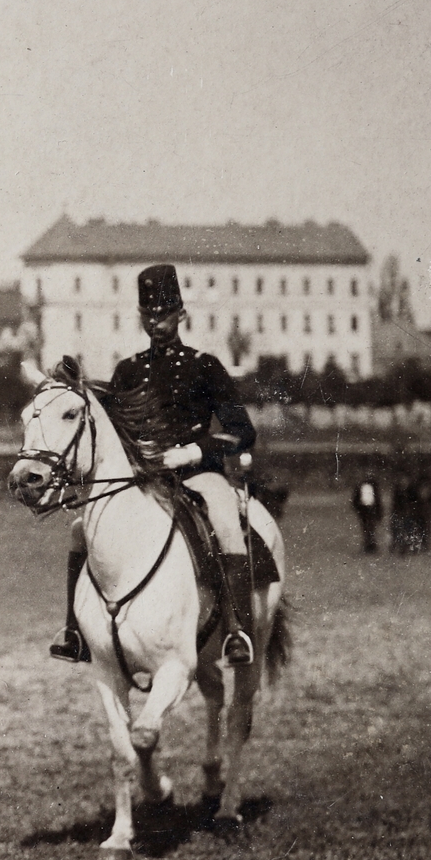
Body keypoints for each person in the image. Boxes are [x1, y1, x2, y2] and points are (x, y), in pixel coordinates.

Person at [51, 263, 258, 667]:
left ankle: (237, 631)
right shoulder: (128, 370)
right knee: (81, 531)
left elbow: (243, 431)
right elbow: (106, 426)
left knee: (226, 523)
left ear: (181, 314)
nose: (155, 322)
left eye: (163, 314)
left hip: (199, 473)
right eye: (148, 315)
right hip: (145, 479)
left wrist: (194, 452)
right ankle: (74, 632)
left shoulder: (204, 365)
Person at [351, 476, 383, 554]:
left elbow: (377, 500)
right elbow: (355, 500)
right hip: (363, 510)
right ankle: (368, 545)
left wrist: (379, 511)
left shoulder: (374, 486)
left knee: (371, 528)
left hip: (372, 509)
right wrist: (358, 508)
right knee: (366, 528)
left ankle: (371, 546)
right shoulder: (359, 487)